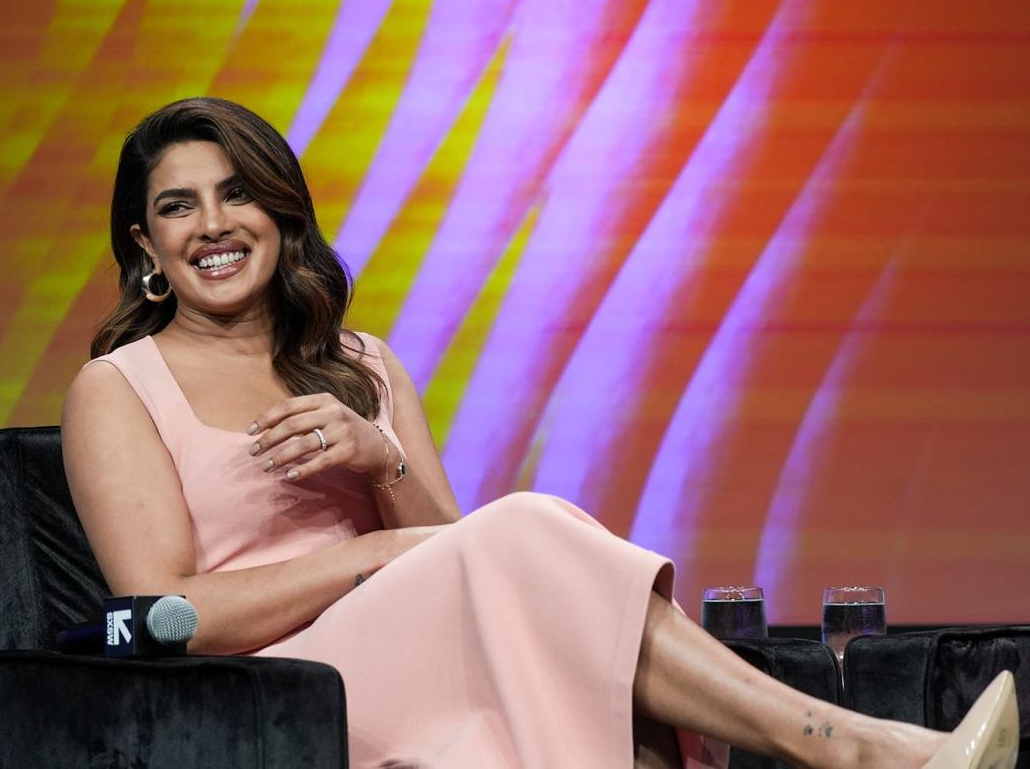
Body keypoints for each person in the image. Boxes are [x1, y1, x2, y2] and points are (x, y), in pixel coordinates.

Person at [60, 97, 1019, 768]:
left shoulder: (362, 361)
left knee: (553, 597)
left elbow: (459, 546)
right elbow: (163, 617)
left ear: (279, 212)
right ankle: (850, 745)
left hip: (422, 638)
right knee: (530, 545)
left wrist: (379, 457)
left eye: (236, 194)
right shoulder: (117, 388)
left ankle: (856, 750)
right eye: (178, 206)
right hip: (279, 690)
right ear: (145, 245)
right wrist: (376, 557)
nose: (213, 224)